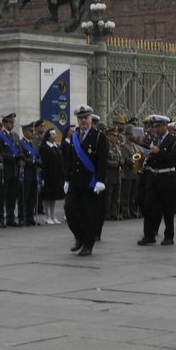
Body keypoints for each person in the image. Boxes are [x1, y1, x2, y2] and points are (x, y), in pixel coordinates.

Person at [63, 103, 108, 256]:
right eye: (80, 118)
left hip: (91, 182)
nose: (83, 121)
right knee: (69, 209)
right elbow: (70, 160)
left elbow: (102, 161)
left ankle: (88, 245)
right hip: (75, 181)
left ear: (91, 119)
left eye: (86, 118)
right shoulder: (74, 136)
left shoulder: (99, 137)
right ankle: (79, 236)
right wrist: (67, 180)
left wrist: (101, 180)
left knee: (89, 215)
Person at [138, 114, 176, 246]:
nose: (155, 129)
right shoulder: (152, 139)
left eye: (158, 126)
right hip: (153, 177)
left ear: (165, 126)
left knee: (168, 209)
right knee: (148, 207)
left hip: (167, 178)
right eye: (154, 126)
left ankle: (169, 236)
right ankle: (149, 235)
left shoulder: (175, 140)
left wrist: (160, 152)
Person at [0, 113, 21, 227]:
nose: (12, 124)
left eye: (13, 122)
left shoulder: (15, 136)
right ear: (4, 123)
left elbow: (19, 149)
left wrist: (19, 155)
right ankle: (0, 218)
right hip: (5, 169)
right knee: (3, 195)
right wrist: (13, 157)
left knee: (12, 195)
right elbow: (0, 152)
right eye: (10, 122)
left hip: (15, 169)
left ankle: (10, 217)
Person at [39, 125, 66, 226]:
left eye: (55, 134)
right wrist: (44, 177)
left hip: (56, 176)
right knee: (47, 197)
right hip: (48, 175)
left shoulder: (56, 146)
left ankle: (53, 215)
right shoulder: (44, 147)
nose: (55, 136)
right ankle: (47, 216)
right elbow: (45, 163)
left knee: (53, 197)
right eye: (53, 134)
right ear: (48, 136)